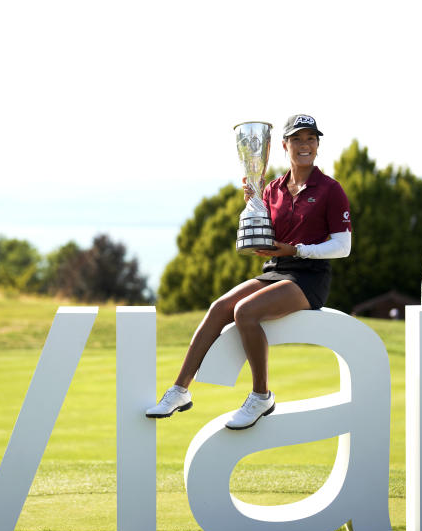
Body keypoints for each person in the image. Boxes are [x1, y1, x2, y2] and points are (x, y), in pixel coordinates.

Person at [146, 114, 352, 430]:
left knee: (245, 312)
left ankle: (261, 396)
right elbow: (264, 236)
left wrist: (296, 250)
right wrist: (252, 206)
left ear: (318, 145)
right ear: (284, 145)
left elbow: (343, 246)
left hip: (309, 277)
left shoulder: (330, 189)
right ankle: (179, 390)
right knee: (219, 308)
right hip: (275, 270)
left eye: (311, 139)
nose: (304, 145)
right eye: (297, 139)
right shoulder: (272, 189)